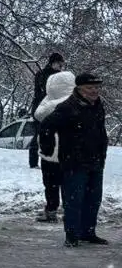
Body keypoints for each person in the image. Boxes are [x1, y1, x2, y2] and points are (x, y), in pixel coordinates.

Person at [41, 71, 109, 247]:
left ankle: (88, 232)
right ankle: (71, 234)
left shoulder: (98, 105)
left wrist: (103, 151)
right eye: (90, 88)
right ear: (79, 88)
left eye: (96, 87)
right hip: (74, 162)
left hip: (95, 160)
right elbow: (47, 125)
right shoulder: (67, 107)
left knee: (93, 199)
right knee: (74, 200)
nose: (94, 91)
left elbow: (100, 131)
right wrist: (48, 148)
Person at [33, 70, 76, 224]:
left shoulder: (53, 105)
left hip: (51, 150)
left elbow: (38, 114)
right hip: (68, 151)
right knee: (68, 184)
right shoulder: (76, 102)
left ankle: (51, 210)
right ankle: (69, 211)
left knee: (51, 184)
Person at [28, 53, 66, 169]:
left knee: (46, 134)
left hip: (46, 107)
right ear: (53, 63)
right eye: (60, 63)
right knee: (40, 134)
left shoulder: (48, 74)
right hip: (43, 107)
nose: (61, 66)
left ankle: (49, 159)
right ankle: (36, 161)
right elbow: (45, 92)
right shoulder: (47, 75)